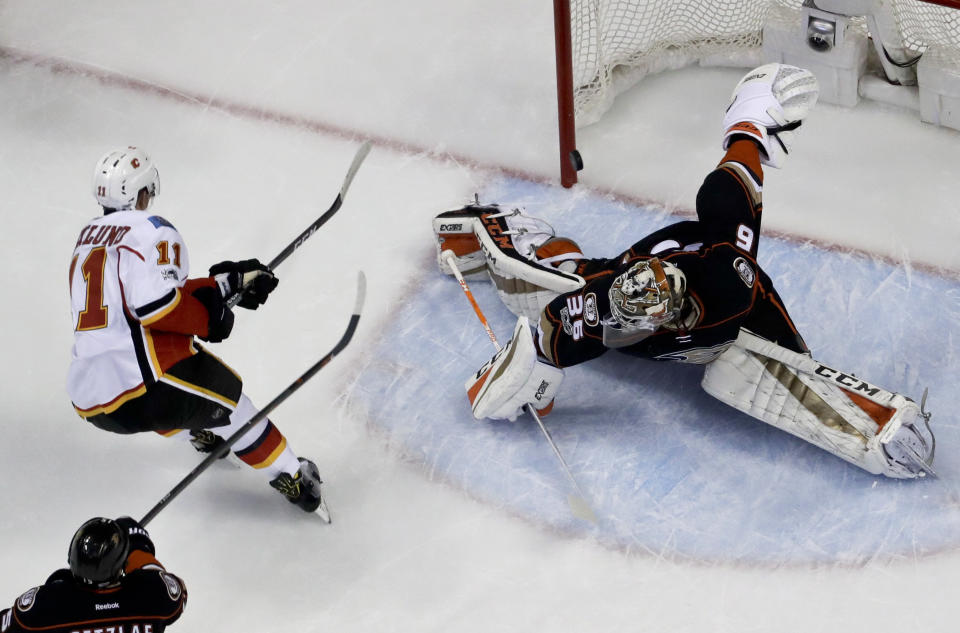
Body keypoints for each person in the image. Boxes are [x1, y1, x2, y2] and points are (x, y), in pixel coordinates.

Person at [434, 64, 935, 478]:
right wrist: (526, 386)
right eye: (629, 320)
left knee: (782, 360)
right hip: (638, 262)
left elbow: (729, 195)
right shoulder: (598, 310)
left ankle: (859, 415)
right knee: (557, 276)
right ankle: (503, 225)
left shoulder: (726, 284)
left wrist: (747, 130)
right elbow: (540, 344)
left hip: (732, 300)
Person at [68, 147, 328, 517]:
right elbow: (155, 307)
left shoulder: (88, 239)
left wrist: (225, 284)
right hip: (143, 389)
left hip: (90, 398)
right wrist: (210, 319)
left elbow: (143, 300)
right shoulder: (150, 230)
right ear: (141, 192)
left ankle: (201, 431)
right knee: (233, 403)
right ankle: (294, 479)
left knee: (187, 370)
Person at [0, 517, 186, 632]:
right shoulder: (155, 594)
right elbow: (169, 584)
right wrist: (138, 544)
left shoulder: (45, 604)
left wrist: (57, 586)